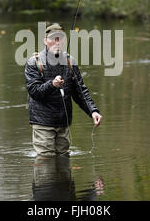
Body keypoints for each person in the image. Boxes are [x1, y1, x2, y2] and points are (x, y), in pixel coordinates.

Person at [24, 22, 102, 157]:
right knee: (46, 161)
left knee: (63, 159)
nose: (57, 42)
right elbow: (34, 92)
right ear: (45, 41)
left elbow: (80, 91)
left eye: (60, 38)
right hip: (43, 123)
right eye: (53, 38)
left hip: (63, 122)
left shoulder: (70, 61)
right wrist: (52, 84)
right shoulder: (34, 62)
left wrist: (93, 111)